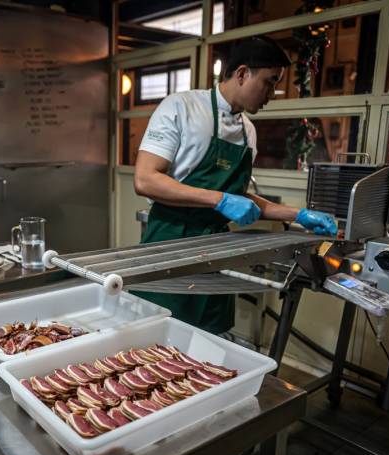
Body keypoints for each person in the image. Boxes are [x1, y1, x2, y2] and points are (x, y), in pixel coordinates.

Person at [133, 36, 337, 334]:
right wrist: (219, 200)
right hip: (170, 245)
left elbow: (238, 197)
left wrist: (298, 215)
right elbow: (146, 179)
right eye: (269, 82)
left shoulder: (247, 131)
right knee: (156, 340)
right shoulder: (182, 107)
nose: (272, 93)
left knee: (209, 342)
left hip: (215, 251)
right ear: (242, 73)